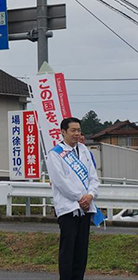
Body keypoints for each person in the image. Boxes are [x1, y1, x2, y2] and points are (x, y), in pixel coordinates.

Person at [46, 117, 100, 280]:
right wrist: (80, 198)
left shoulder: (84, 150)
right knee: (68, 250)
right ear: (63, 132)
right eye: (73, 130)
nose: (77, 134)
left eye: (79, 130)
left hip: (85, 209)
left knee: (81, 251)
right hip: (68, 209)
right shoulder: (55, 154)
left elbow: (94, 178)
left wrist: (90, 195)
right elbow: (61, 182)